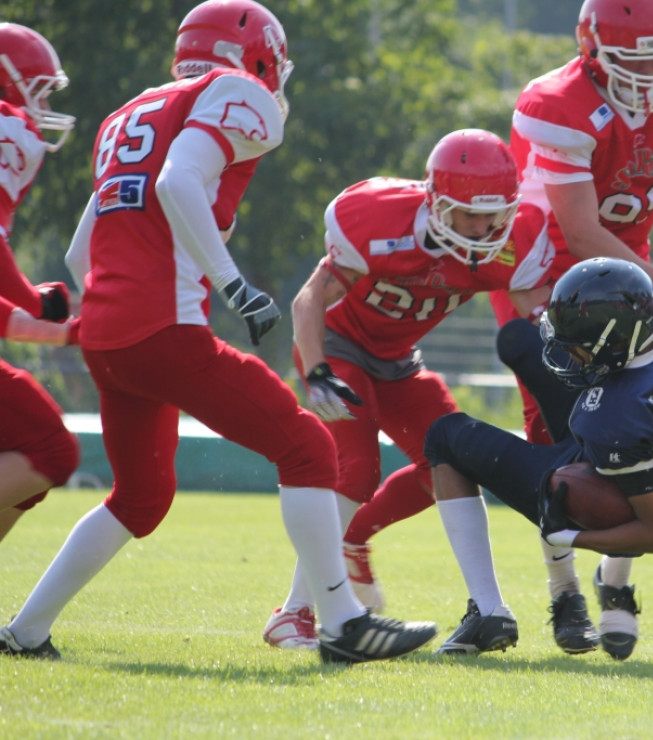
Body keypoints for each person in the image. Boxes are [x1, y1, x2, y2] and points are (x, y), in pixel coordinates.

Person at [0, 0, 436, 664]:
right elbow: (179, 181)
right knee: (310, 449)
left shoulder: (130, 111)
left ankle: (24, 631)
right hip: (162, 330)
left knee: (142, 498)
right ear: (258, 56)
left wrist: (118, 308)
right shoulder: (237, 92)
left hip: (110, 336)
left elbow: (80, 253)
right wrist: (231, 284)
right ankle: (343, 623)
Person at [488, 0, 653, 657]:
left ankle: (618, 579)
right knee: (560, 441)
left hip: (631, 271)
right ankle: (563, 591)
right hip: (547, 274)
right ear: (592, 53)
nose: (652, 77)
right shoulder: (558, 103)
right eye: (633, 64)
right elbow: (578, 230)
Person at [262, 128, 555, 650]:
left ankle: (487, 610)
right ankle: (294, 614)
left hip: (397, 361)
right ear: (438, 203)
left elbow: (536, 305)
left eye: (496, 213)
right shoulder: (380, 219)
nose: (486, 226)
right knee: (355, 469)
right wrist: (315, 370)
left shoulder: (513, 241)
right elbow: (310, 299)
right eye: (472, 213)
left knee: (450, 462)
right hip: (339, 347)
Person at [427, 253, 653, 658]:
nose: (570, 354)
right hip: (650, 442)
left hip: (615, 482)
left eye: (579, 348)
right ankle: (606, 585)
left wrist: (568, 535)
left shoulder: (612, 417)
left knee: (444, 436)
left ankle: (491, 610)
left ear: (618, 343)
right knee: (517, 337)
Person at [0, 22, 81, 544]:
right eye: (38, 88)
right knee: (50, 450)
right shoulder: (7, 129)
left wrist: (60, 331)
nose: (42, 104)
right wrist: (34, 298)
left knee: (25, 470)